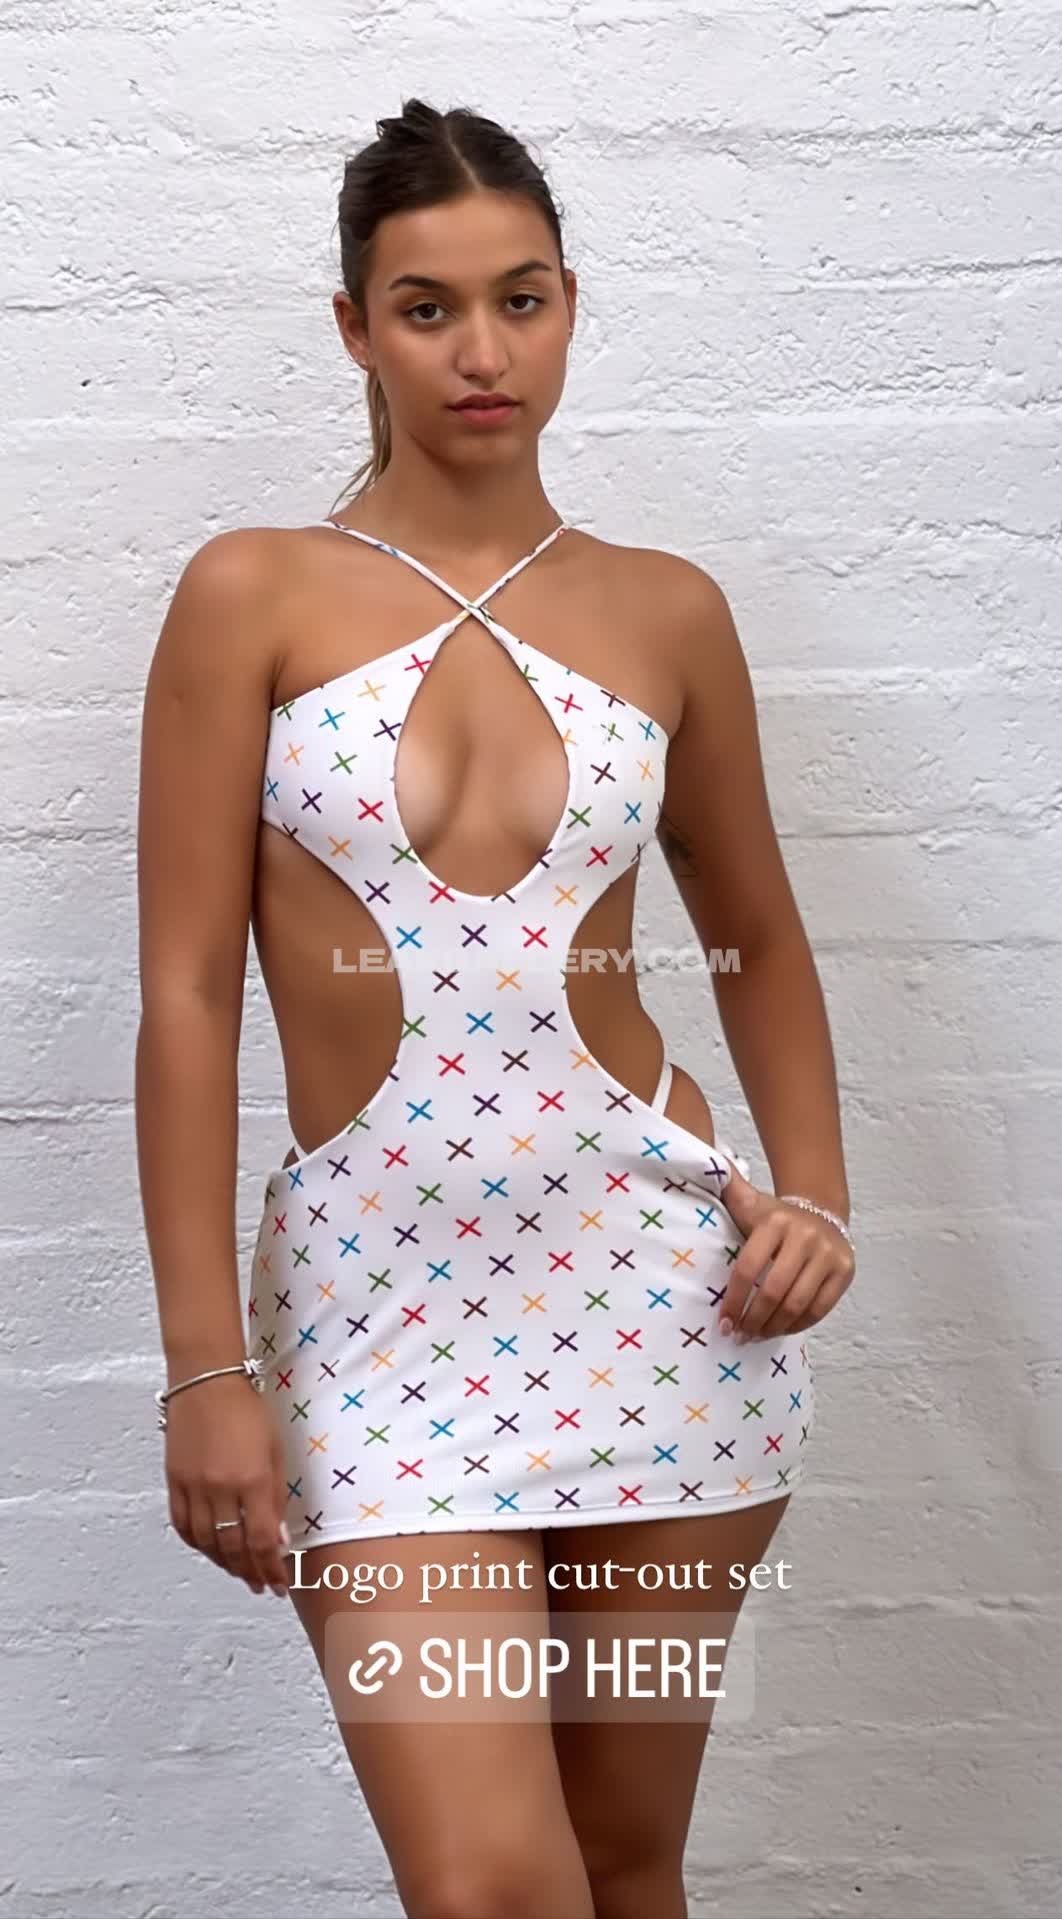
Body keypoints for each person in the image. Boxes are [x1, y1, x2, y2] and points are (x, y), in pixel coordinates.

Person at [136, 96, 855, 1919]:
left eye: (520, 301)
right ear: (355, 328)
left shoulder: (666, 610)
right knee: (490, 1888)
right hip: (379, 1333)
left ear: (570, 307)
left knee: (624, 1863)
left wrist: (821, 1196)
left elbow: (761, 938)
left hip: (665, 1307)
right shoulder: (251, 594)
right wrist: (207, 1368)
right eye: (428, 307)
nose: (482, 351)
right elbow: (185, 996)